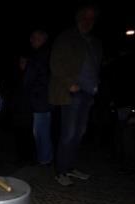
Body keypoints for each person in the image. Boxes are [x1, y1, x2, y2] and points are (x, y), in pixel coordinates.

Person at [49, 5, 102, 186]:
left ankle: (70, 167)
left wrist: (96, 86)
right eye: (85, 17)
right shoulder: (67, 37)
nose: (88, 21)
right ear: (78, 18)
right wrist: (68, 83)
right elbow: (55, 63)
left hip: (88, 93)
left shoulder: (94, 42)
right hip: (72, 92)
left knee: (80, 133)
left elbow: (96, 67)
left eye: (92, 18)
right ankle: (61, 171)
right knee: (68, 133)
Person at [23, 29, 53, 165]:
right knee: (42, 130)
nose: (32, 40)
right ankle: (44, 157)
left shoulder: (40, 55)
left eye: (36, 37)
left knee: (40, 131)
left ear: (43, 38)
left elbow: (31, 79)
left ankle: (44, 159)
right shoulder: (44, 54)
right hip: (42, 99)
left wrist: (25, 68)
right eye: (32, 37)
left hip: (40, 100)